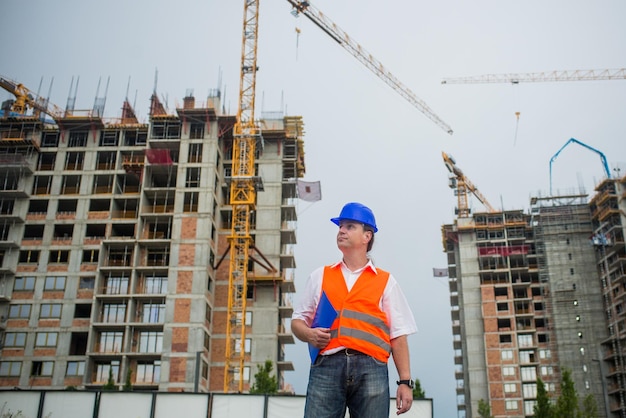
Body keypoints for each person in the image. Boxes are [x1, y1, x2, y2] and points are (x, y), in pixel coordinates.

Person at [292, 202, 418, 417]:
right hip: (327, 366)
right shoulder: (320, 276)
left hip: (372, 369)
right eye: (340, 226)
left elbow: (398, 335)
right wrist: (310, 334)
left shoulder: (386, 282)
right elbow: (297, 322)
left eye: (350, 226)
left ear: (366, 236)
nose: (341, 230)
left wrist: (405, 382)